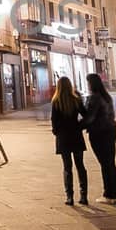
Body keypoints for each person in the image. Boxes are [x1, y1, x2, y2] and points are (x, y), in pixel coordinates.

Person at [50, 76, 88, 206]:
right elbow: (86, 115)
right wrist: (79, 126)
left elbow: (54, 121)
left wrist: (57, 132)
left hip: (63, 137)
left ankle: (69, 197)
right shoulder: (76, 100)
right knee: (80, 166)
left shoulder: (56, 101)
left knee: (67, 167)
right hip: (76, 136)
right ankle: (83, 196)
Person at [83, 74, 116, 204]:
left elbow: (89, 118)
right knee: (110, 162)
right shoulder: (107, 96)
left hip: (99, 132)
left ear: (91, 84)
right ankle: (113, 194)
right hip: (111, 130)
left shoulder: (94, 98)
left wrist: (76, 127)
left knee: (105, 163)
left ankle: (108, 194)